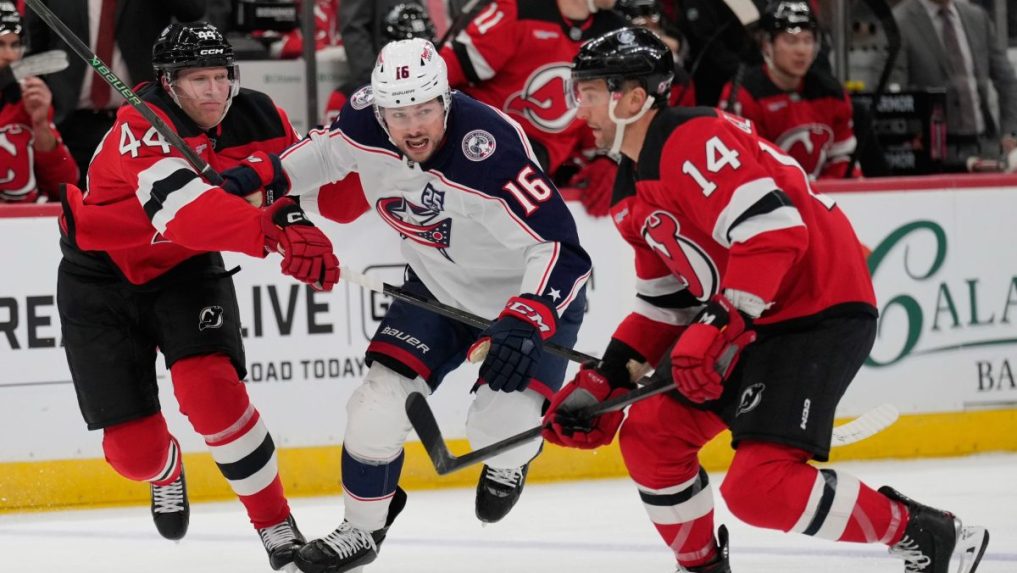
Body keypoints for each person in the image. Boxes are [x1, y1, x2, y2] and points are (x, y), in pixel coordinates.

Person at [542, 27, 990, 573]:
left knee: (758, 488)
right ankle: (703, 567)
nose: (578, 107)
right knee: (652, 436)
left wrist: (719, 322)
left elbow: (776, 232)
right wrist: (605, 379)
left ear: (632, 98)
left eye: (588, 92)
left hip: (817, 309)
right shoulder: (630, 189)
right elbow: (665, 306)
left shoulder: (691, 138)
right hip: (755, 318)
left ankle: (926, 532)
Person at [223, 37, 591, 573]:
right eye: (398, 113)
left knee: (500, 430)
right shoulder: (364, 122)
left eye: (424, 110)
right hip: (436, 288)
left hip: (523, 302)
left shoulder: (491, 153)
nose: (413, 126)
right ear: (380, 109)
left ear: (445, 99)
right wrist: (263, 174)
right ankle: (362, 529)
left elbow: (564, 251)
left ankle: (510, 462)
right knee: (375, 407)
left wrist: (529, 314)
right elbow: (325, 153)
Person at [56, 21, 339, 571]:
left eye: (220, 77)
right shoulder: (141, 125)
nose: (214, 92)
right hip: (100, 275)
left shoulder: (259, 115)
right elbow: (184, 214)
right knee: (132, 457)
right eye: (197, 80)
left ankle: (275, 523)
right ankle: (166, 472)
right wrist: (273, 233)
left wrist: (297, 219)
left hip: (186, 270)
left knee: (212, 392)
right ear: (167, 83)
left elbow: (299, 178)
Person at [437, 0, 626, 215]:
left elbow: (619, 113)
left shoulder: (615, 34)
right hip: (490, 141)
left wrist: (610, 157)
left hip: (553, 161)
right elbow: (441, 78)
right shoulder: (517, 11)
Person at [24, 0, 206, 187]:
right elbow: (35, 48)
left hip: (141, 124)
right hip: (70, 122)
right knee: (72, 203)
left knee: (138, 206)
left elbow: (192, 11)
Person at [719, 0, 859, 179]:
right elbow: (741, 168)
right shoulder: (744, 95)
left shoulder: (831, 92)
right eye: (791, 40)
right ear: (767, 44)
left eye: (807, 40)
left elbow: (842, 162)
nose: (801, 50)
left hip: (820, 200)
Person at [890, 0, 1017, 170]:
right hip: (933, 157)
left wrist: (1010, 132)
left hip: (985, 149)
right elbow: (895, 96)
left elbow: (1007, 80)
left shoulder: (977, 17)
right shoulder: (900, 21)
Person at [0, 2, 78, 203]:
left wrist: (41, 124)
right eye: (0, 44)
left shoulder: (28, 98)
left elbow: (66, 183)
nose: (9, 55)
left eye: (15, 44)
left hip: (26, 223)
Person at [323, 2, 436, 125]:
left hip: (415, 73)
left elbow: (418, 17)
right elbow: (353, 28)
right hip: (385, 76)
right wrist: (375, 80)